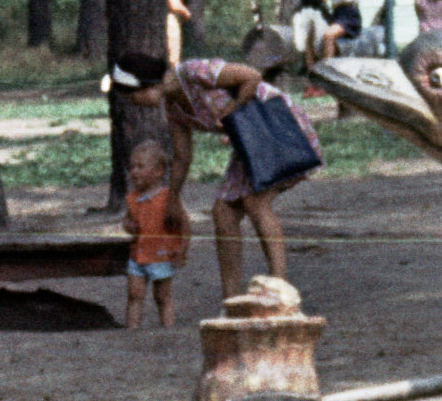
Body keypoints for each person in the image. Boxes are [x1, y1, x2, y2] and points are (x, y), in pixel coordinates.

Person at [113, 45, 314, 302]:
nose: (134, 104)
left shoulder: (195, 72)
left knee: (256, 202)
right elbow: (183, 156)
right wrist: (173, 199)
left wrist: (235, 115)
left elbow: (251, 76)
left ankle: (281, 288)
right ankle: (231, 298)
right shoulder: (173, 107)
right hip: (248, 143)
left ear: (144, 84)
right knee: (223, 213)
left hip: (276, 127)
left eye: (132, 97)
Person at [120, 139, 189, 328]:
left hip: (161, 255)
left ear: (158, 171)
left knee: (162, 296)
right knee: (134, 294)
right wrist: (128, 226)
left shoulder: (168, 198)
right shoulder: (131, 198)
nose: (134, 171)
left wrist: (182, 249)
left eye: (140, 167)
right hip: (138, 255)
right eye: (132, 166)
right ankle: (132, 330)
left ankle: (168, 330)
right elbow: (128, 219)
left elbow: (184, 224)